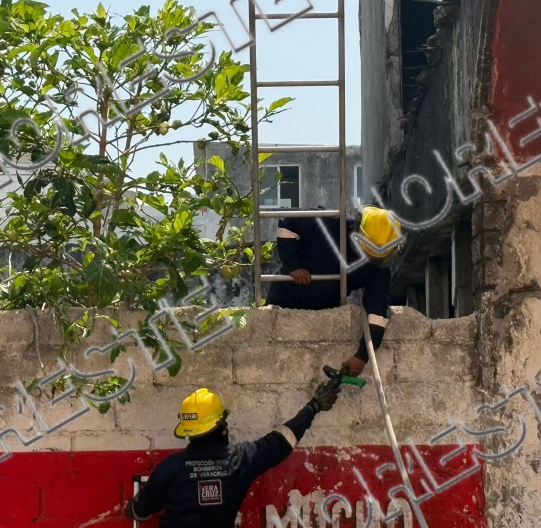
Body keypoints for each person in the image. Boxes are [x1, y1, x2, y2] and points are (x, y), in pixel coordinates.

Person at [125, 382, 340, 527]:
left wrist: (133, 507)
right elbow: (281, 442)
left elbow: (139, 511)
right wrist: (313, 407)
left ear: (188, 432)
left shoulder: (168, 468)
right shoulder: (241, 460)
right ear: (222, 427)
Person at [265, 205, 403, 377]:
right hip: (284, 301)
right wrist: (293, 265)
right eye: (366, 252)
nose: (367, 259)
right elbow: (287, 222)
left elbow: (376, 313)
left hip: (324, 319)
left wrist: (362, 356)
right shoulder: (327, 222)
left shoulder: (378, 268)